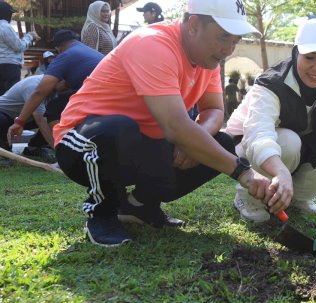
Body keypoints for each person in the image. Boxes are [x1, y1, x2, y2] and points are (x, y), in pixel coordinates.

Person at [49, 0, 271, 247]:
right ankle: (102, 214)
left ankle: (138, 206)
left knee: (221, 142)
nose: (229, 48)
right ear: (194, 24)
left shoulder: (207, 59)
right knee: (121, 128)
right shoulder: (153, 43)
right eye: (223, 37)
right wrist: (243, 172)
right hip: (83, 141)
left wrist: (196, 138)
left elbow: (214, 110)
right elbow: (175, 127)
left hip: (141, 144)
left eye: (235, 40)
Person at [225, 18, 316, 223]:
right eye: (310, 57)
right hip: (244, 146)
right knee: (289, 141)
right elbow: (258, 134)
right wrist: (281, 172)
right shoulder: (271, 83)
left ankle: (298, 199)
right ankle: (247, 198)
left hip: (296, 147)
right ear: (296, 51)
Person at [7, 29, 104, 150]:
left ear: (58, 48)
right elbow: (65, 85)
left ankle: (63, 151)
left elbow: (40, 91)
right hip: (111, 93)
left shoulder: (66, 55)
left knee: (53, 109)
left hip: (97, 92)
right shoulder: (88, 52)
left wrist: (20, 122)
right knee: (66, 106)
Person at [0, 75, 53, 161]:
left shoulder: (58, 85)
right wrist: (57, 149)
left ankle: (34, 148)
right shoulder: (34, 86)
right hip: (4, 114)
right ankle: (3, 151)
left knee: (55, 117)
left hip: (23, 118)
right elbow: (40, 120)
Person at [0, 2, 40, 94]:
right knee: (10, 95)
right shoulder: (5, 27)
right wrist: (30, 36)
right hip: (9, 66)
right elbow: (19, 47)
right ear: (6, 13)